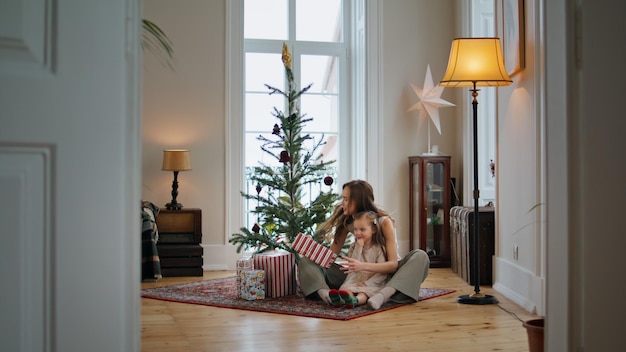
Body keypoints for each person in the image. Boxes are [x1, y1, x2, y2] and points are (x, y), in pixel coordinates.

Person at [298, 179, 430, 309]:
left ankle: (383, 294)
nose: (342, 203)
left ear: (357, 200)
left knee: (420, 255)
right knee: (306, 261)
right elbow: (330, 258)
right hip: (356, 277)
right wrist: (311, 250)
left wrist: (362, 266)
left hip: (386, 277)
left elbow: (393, 265)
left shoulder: (384, 222)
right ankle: (328, 296)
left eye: (346, 199)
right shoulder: (346, 223)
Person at [328, 211, 389, 308]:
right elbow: (353, 265)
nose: (358, 233)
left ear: (373, 230)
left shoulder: (379, 248)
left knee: (364, 293)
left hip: (372, 280)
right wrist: (359, 247)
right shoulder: (353, 247)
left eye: (362, 229)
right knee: (346, 288)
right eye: (355, 229)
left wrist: (366, 283)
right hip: (357, 276)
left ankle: (355, 301)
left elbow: (382, 273)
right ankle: (342, 300)